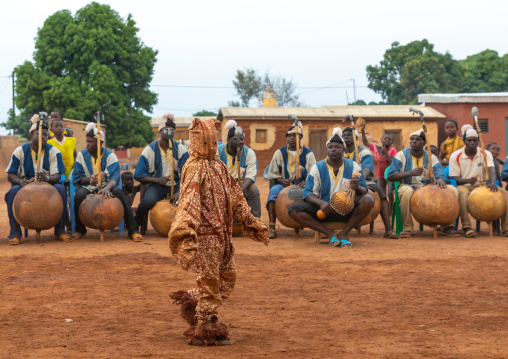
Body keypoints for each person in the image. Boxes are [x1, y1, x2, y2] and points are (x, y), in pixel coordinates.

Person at [168, 117, 269, 346]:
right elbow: (187, 204)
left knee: (227, 279)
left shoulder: (218, 164)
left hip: (223, 236)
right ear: (198, 141)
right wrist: (185, 232)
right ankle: (205, 329)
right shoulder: (193, 167)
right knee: (211, 283)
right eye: (207, 141)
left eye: (213, 141)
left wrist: (248, 219)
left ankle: (193, 298)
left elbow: (235, 195)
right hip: (204, 240)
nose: (211, 145)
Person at [288, 128, 374, 247]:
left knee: (369, 199)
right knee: (293, 209)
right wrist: (322, 203)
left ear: (343, 149)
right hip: (324, 210)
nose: (334, 149)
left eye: (337, 147)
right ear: (327, 149)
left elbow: (365, 190)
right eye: (331, 147)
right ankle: (329, 233)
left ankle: (344, 232)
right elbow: (307, 193)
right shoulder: (318, 167)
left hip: (347, 210)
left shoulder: (353, 166)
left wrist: (358, 187)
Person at [4, 114, 72, 245]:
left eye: (46, 134)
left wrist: (47, 178)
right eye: (39, 134)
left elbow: (57, 176)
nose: (43, 137)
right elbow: (10, 175)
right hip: (24, 185)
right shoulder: (19, 151)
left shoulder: (54, 152)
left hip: (48, 186)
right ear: (31, 135)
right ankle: (15, 233)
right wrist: (21, 182)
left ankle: (60, 231)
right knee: (13, 192)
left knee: (61, 189)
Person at [73, 123, 142, 242]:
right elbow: (77, 177)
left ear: (99, 143)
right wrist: (89, 180)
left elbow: (115, 178)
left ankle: (133, 230)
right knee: (79, 195)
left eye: (90, 142)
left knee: (119, 192)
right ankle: (80, 229)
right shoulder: (81, 155)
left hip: (107, 185)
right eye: (87, 141)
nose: (87, 144)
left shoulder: (111, 156)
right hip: (88, 186)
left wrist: (108, 188)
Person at [387, 129, 459, 238]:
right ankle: (408, 228)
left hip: (428, 189)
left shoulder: (430, 157)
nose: (414, 142)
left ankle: (448, 226)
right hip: (408, 186)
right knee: (405, 192)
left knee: (452, 190)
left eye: (418, 140)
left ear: (424, 143)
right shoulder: (401, 155)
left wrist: (439, 179)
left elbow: (438, 171)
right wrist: (410, 173)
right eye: (412, 139)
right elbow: (390, 175)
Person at [451, 126, 508, 238]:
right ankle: (467, 227)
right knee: (462, 195)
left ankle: (505, 229)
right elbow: (454, 177)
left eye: (474, 140)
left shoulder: (486, 153)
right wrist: (467, 180)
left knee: (505, 194)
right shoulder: (455, 155)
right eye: (469, 140)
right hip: (465, 185)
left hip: (483, 185)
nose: (472, 143)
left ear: (478, 141)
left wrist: (492, 182)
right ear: (464, 141)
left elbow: (491, 169)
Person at [134, 113, 189, 226]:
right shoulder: (149, 150)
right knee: (148, 201)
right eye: (166, 129)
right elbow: (138, 175)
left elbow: (188, 173)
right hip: (157, 185)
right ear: (160, 131)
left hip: (177, 184)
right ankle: (135, 224)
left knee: (189, 200)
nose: (170, 132)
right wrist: (157, 180)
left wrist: (180, 191)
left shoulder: (181, 149)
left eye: (172, 130)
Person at [345, 126, 398, 238]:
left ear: (355, 137)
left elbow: (367, 168)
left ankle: (388, 229)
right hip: (342, 182)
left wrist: (360, 181)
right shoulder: (340, 151)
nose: (346, 137)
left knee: (381, 194)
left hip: (364, 181)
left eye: (349, 135)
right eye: (344, 135)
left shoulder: (363, 152)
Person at [266, 121, 316, 238]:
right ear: (287, 137)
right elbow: (273, 173)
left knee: (315, 195)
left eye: (295, 135)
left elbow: (313, 174)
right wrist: (281, 181)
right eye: (290, 135)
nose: (292, 138)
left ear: (301, 137)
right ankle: (272, 227)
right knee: (273, 192)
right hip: (283, 186)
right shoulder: (279, 153)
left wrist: (307, 182)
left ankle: (317, 226)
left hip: (303, 186)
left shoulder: (309, 154)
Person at [217, 120, 261, 218]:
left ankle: (256, 222)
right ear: (228, 140)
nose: (240, 142)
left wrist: (240, 189)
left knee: (253, 190)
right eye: (236, 139)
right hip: (222, 185)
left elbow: (250, 175)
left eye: (241, 139)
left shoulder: (249, 153)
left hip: (242, 185)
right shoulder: (218, 151)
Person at [48, 111, 77, 231]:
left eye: (61, 126)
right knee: (62, 201)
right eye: (56, 126)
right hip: (57, 177)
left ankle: (74, 223)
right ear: (51, 129)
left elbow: (75, 155)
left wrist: (75, 167)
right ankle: (65, 222)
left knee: (72, 200)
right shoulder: (49, 143)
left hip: (70, 175)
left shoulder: (71, 140)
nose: (59, 128)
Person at [360, 125, 397, 214]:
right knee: (382, 195)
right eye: (385, 139)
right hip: (381, 175)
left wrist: (386, 154)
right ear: (381, 140)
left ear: (392, 142)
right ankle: (383, 211)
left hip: (390, 175)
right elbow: (365, 143)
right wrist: (362, 131)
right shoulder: (376, 148)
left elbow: (393, 163)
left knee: (390, 194)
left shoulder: (393, 150)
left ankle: (390, 211)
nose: (387, 140)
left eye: (389, 139)